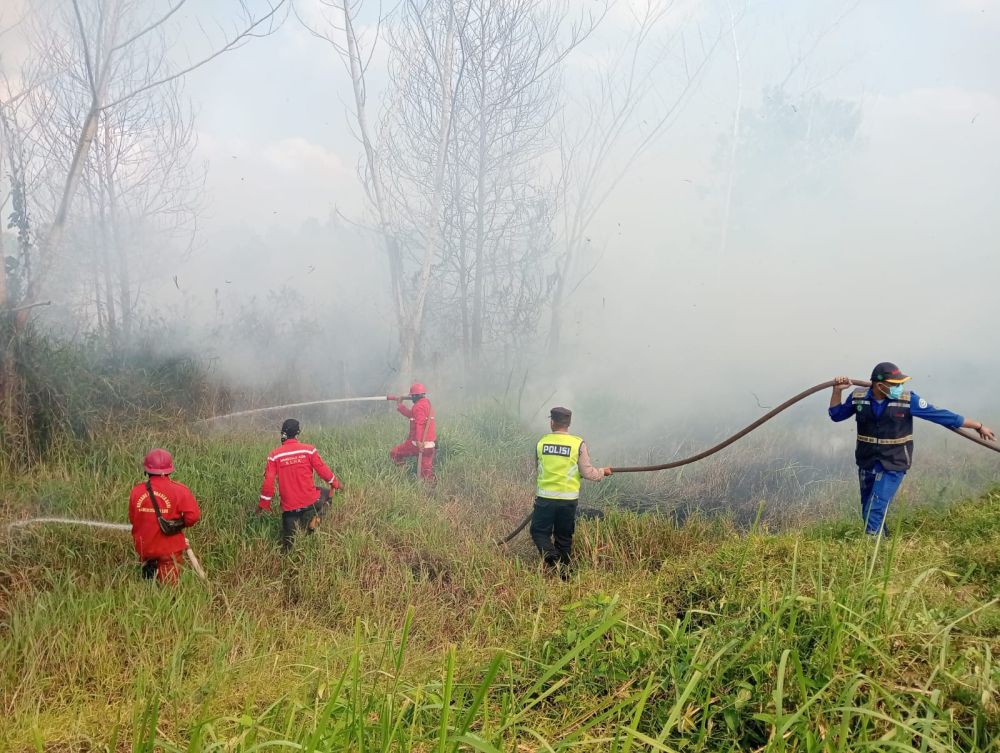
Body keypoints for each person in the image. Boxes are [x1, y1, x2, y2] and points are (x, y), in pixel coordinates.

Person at [829, 362, 995, 537]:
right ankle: (882, 542)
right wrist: (837, 390)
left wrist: (978, 425)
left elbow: (942, 416)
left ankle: (871, 550)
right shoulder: (858, 397)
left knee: (875, 508)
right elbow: (836, 415)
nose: (900, 388)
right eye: (895, 384)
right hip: (867, 461)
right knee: (868, 507)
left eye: (901, 383)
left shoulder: (908, 400)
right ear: (879, 385)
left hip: (894, 463)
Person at [531, 406, 611, 574]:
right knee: (564, 538)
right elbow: (587, 473)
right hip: (568, 501)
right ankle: (565, 575)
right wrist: (602, 472)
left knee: (538, 532)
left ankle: (552, 557)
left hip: (545, 498)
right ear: (568, 423)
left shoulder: (542, 442)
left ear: (552, 422)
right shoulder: (578, 444)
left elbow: (540, 467)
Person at [258, 418, 342, 551]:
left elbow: (268, 481)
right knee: (327, 494)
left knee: (288, 547)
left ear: (283, 434)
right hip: (310, 502)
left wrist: (264, 504)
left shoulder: (274, 455)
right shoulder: (309, 450)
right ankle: (316, 519)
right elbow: (322, 470)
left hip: (289, 509)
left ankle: (291, 542)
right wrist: (335, 483)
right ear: (297, 434)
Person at [128, 448, 201, 584]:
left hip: (145, 549)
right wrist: (177, 525)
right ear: (170, 469)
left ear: (147, 470)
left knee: (148, 588)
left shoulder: (136, 491)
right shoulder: (180, 490)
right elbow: (193, 517)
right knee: (169, 591)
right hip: (169, 550)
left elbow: (133, 519)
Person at [390, 382, 436, 480]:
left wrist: (419, 442)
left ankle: (403, 473)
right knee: (426, 473)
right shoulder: (427, 404)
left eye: (412, 396)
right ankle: (430, 490)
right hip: (429, 446)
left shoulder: (418, 407)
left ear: (414, 396)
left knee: (395, 453)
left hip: (417, 445)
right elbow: (411, 415)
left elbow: (419, 424)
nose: (411, 399)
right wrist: (400, 404)